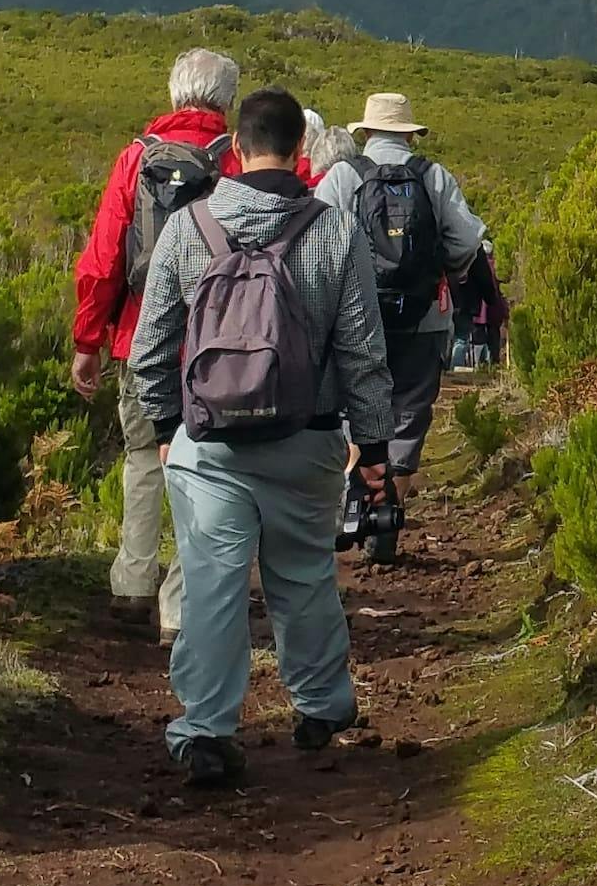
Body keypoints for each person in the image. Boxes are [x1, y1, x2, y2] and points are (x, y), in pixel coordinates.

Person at [127, 86, 399, 787]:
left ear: (237, 149)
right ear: (301, 151)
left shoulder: (189, 227)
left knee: (213, 587)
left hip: (208, 446)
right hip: (305, 441)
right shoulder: (335, 230)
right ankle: (322, 706)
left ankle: (206, 729)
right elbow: (364, 353)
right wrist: (372, 450)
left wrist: (165, 426)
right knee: (304, 575)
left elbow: (152, 349)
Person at [68, 47, 249, 642]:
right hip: (221, 339)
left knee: (142, 458)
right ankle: (180, 603)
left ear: (174, 93)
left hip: (139, 335)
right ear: (226, 99)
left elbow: (102, 259)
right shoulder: (238, 159)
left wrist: (88, 340)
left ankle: (131, 581)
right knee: (208, 469)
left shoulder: (135, 160)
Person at [334, 91, 499, 562]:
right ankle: (386, 522)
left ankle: (352, 499)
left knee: (352, 406)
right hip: (424, 318)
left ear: (364, 132)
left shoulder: (345, 177)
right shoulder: (434, 178)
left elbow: (316, 240)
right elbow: (468, 241)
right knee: (408, 414)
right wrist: (439, 270)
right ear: (410, 133)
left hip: (356, 320)